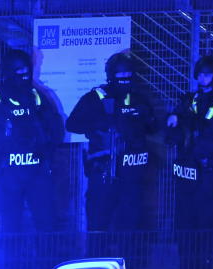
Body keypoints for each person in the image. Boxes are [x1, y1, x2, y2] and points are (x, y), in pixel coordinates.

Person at [0, 49, 64, 269]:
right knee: (12, 227)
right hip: (9, 174)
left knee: (46, 223)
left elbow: (56, 130)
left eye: (27, 71)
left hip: (36, 173)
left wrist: (46, 151)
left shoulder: (37, 96)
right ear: (8, 72)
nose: (24, 76)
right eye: (19, 72)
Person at [66, 51, 159, 235]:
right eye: (120, 75)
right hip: (103, 171)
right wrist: (99, 123)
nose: (124, 79)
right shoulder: (95, 98)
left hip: (132, 173)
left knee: (130, 224)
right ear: (110, 75)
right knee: (98, 222)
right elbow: (72, 124)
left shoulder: (140, 99)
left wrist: (144, 117)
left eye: (128, 75)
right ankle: (97, 260)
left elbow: (153, 127)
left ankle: (129, 263)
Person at [167, 56, 213, 269]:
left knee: (208, 224)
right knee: (185, 223)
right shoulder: (190, 100)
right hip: (186, 173)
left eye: (206, 74)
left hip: (206, 172)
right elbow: (172, 133)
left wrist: (189, 127)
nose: (201, 78)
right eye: (199, 73)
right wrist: (176, 121)